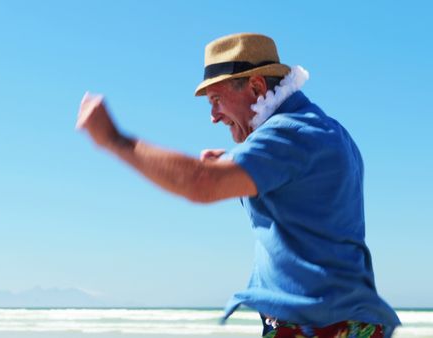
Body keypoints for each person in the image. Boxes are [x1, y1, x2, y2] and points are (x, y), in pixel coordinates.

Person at [77, 33, 400, 337]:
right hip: (336, 321)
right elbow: (300, 204)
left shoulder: (288, 133)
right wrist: (233, 164)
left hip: (320, 326)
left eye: (216, 99)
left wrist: (114, 140)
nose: (213, 115)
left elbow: (200, 183)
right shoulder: (322, 128)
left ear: (257, 87)